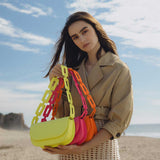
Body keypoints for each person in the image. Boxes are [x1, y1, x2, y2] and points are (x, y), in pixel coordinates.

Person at [43, 11, 133, 160]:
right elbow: (60, 115)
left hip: (102, 148)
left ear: (96, 29)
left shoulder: (119, 69)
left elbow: (118, 121)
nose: (82, 39)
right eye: (75, 37)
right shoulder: (71, 72)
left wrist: (83, 148)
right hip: (70, 146)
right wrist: (54, 83)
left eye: (85, 31)